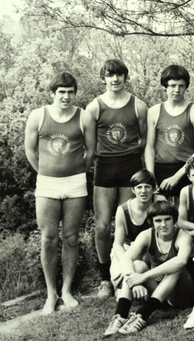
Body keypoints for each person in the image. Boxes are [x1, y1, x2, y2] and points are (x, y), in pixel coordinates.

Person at [24, 72, 95, 314]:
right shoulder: (38, 116)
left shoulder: (83, 116)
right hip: (47, 184)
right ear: (52, 94)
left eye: (70, 92)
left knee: (72, 238)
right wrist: (46, 172)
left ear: (75, 93)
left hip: (75, 183)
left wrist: (75, 174)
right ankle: (51, 294)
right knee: (49, 239)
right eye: (61, 92)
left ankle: (66, 290)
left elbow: (90, 151)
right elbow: (31, 152)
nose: (66, 96)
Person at [86, 59, 149, 297]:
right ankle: (105, 279)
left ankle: (130, 271)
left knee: (130, 221)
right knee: (102, 225)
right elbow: (90, 147)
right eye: (110, 75)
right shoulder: (95, 107)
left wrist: (131, 158)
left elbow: (144, 141)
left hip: (130, 165)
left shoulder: (138, 106)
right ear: (103, 78)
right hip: (104, 167)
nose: (115, 79)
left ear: (125, 77)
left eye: (119, 75)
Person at [103, 201, 194, 336]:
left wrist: (143, 277)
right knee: (137, 265)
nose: (163, 225)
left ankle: (142, 315)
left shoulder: (183, 236)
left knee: (174, 267)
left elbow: (181, 261)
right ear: (152, 222)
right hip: (157, 293)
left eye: (167, 219)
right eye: (158, 221)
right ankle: (120, 315)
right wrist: (133, 281)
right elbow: (126, 258)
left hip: (179, 295)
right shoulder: (147, 234)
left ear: (174, 219)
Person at [145, 65, 194, 203]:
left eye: (181, 86)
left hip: (187, 169)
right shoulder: (154, 111)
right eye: (172, 85)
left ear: (186, 87)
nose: (177, 90)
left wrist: (177, 176)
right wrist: (151, 176)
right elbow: (150, 147)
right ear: (165, 86)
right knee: (162, 216)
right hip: (161, 168)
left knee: (185, 215)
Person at [109, 170, 167, 293]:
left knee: (144, 267)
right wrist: (126, 262)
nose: (143, 191)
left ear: (154, 189)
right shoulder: (123, 209)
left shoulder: (160, 203)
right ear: (133, 190)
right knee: (121, 275)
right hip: (127, 249)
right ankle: (125, 288)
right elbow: (117, 244)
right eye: (139, 187)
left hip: (150, 250)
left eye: (147, 187)